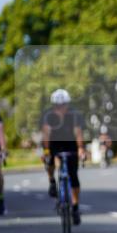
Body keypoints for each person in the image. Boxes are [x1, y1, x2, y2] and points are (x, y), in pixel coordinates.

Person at [41, 89, 86, 225]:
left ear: (68, 104)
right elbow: (46, 134)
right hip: (54, 144)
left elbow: (78, 133)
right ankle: (52, 182)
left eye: (63, 105)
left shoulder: (74, 115)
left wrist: (81, 149)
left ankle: (75, 207)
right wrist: (47, 151)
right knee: (49, 161)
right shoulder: (48, 116)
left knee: (74, 176)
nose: (61, 108)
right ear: (54, 105)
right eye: (57, 106)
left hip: (70, 145)